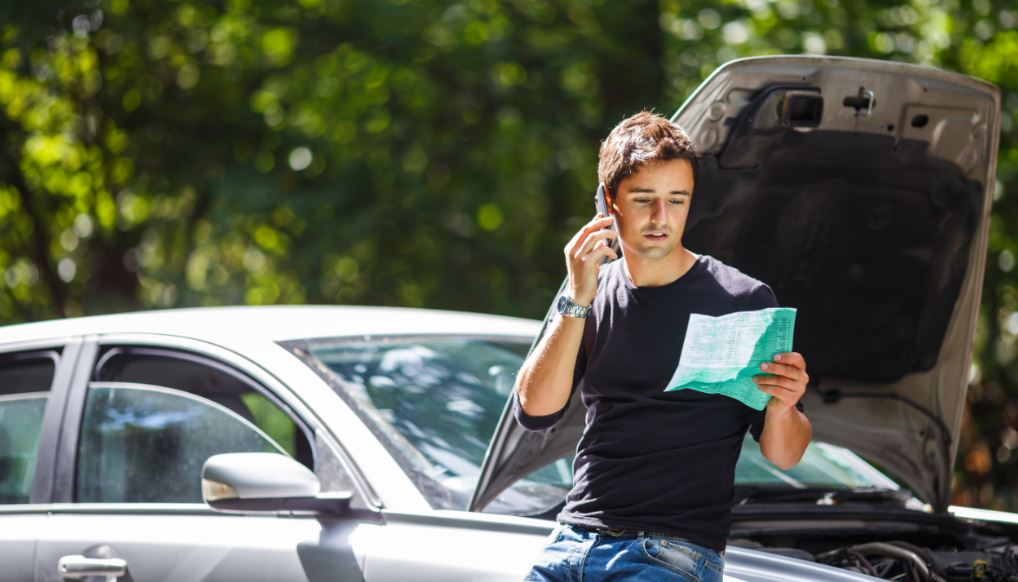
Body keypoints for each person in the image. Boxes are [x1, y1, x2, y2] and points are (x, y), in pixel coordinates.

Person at [514, 111, 812, 581]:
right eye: (644, 199)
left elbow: (785, 455)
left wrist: (784, 406)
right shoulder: (588, 289)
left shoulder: (741, 299)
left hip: (670, 554)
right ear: (609, 202)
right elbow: (534, 411)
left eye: (677, 200)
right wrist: (577, 297)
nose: (661, 218)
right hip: (571, 541)